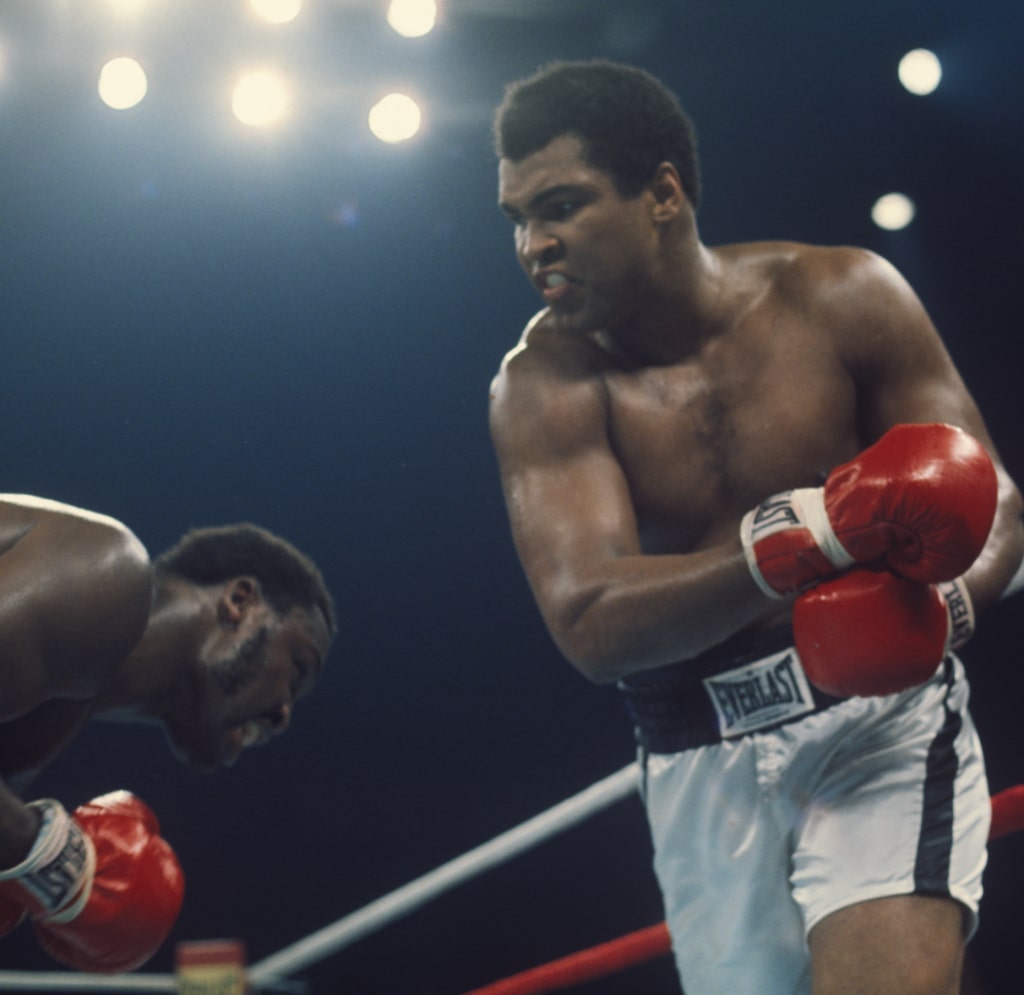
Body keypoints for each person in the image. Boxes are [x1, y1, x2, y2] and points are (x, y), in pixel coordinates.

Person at [488, 60, 1024, 995]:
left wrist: (944, 611)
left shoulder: (842, 294)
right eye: (520, 220)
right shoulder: (542, 387)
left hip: (877, 729)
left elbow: (995, 501)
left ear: (662, 192)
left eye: (563, 206)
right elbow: (588, 619)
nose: (536, 244)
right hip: (699, 757)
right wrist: (796, 541)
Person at [0, 495, 335, 973]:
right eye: (297, 670)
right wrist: (48, 860)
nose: (283, 714)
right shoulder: (105, 571)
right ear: (239, 601)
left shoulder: (43, 724)